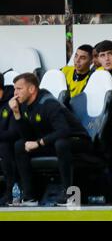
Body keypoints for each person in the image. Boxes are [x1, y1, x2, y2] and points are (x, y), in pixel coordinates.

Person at [9, 73, 92, 206]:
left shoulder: (48, 103)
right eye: (15, 89)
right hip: (52, 141)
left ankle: (69, 194)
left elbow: (64, 130)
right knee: (20, 145)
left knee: (61, 144)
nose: (15, 93)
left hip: (77, 140)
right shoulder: (23, 105)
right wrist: (17, 113)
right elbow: (27, 137)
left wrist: (38, 143)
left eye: (19, 89)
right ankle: (30, 196)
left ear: (31, 89)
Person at [0, 73, 20, 206]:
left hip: (16, 142)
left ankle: (11, 192)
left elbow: (14, 133)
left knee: (4, 145)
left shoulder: (13, 102)